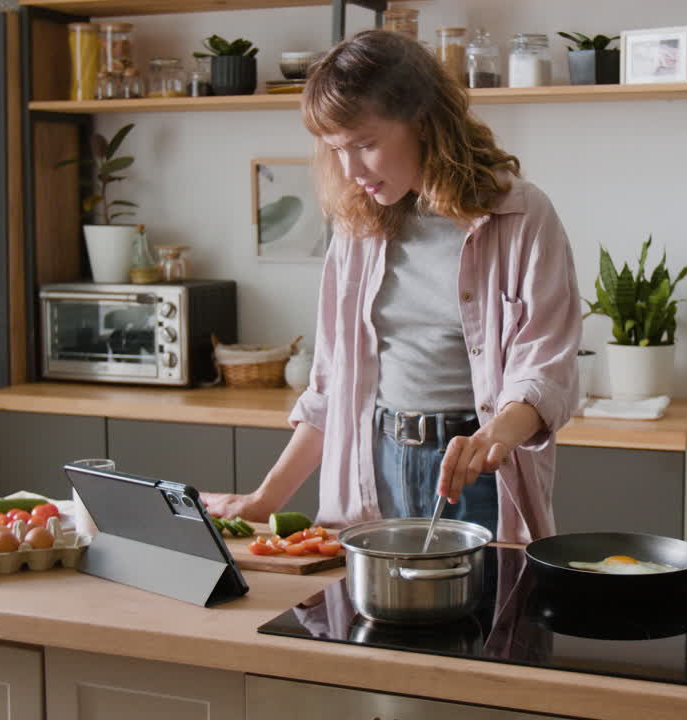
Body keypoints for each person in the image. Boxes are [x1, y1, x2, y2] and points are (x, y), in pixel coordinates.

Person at [201, 29, 580, 544]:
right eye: (337, 149)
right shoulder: (358, 230)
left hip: (477, 474)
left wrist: (495, 436)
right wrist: (264, 500)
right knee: (369, 619)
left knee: (486, 618)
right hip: (372, 465)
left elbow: (545, 367)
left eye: (365, 144)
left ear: (422, 120)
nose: (351, 170)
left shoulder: (521, 216)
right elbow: (331, 390)